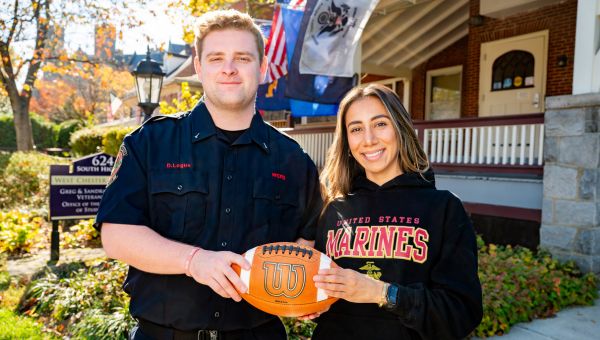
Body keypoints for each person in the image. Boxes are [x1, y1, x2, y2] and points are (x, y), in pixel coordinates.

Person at [95, 9, 322, 340]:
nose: (229, 68)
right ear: (199, 67)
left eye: (242, 58)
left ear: (262, 69)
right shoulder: (151, 143)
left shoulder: (294, 160)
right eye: (217, 58)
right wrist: (193, 261)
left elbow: (306, 245)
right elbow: (116, 235)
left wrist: (303, 294)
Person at [310, 84, 482, 339]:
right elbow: (323, 292)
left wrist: (382, 293)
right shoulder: (334, 209)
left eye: (380, 124)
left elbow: (461, 312)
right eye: (356, 129)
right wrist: (309, 304)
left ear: (400, 129)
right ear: (347, 142)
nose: (368, 139)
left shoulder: (443, 208)